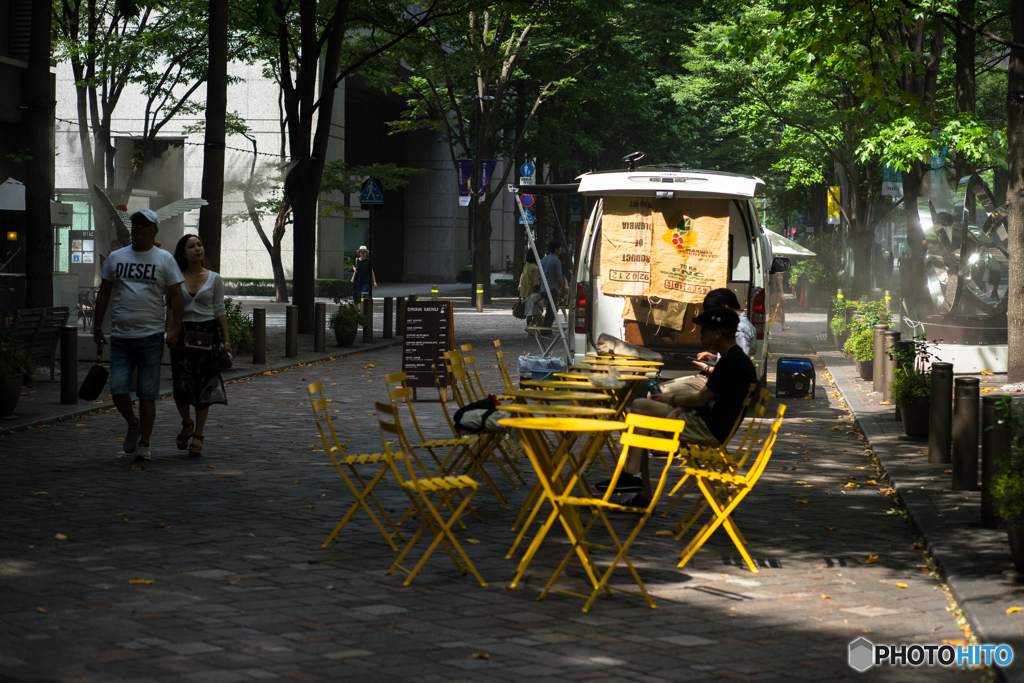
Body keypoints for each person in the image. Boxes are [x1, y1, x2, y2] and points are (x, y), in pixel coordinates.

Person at [601, 307, 757, 507]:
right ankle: (637, 483)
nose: (700, 334)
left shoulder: (731, 362)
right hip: (707, 421)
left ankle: (635, 478)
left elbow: (700, 399)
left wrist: (673, 401)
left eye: (704, 330)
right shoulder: (733, 358)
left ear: (717, 333)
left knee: (640, 409)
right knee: (639, 422)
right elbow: (708, 399)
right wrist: (678, 407)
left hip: (707, 428)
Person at [93, 208, 184, 462]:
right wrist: (97, 327)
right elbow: (104, 293)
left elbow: (177, 295)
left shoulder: (164, 259)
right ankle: (133, 423)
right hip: (121, 336)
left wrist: (175, 328)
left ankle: (145, 442)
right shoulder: (116, 257)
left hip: (151, 336)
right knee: (118, 389)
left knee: (147, 392)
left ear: (155, 230)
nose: (138, 228)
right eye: (135, 224)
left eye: (144, 224)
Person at [169, 234, 230, 458]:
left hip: (206, 334)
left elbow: (219, 310)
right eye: (191, 246)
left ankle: (199, 435)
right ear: (183, 253)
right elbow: (171, 309)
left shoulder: (214, 278)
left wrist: (226, 340)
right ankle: (187, 423)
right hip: (181, 334)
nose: (197, 249)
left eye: (200, 245)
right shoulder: (175, 278)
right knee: (181, 385)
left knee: (203, 385)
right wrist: (170, 333)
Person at [657, 288, 755, 400]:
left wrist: (707, 368)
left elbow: (734, 370)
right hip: (712, 378)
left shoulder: (738, 330)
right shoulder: (739, 324)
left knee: (657, 393)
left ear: (724, 307)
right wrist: (713, 357)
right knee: (658, 390)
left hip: (715, 382)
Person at [540, 240, 567, 328]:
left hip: (543, 287)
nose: (560, 250)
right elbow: (559, 277)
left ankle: (545, 327)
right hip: (551, 288)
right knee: (552, 309)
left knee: (551, 308)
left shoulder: (543, 259)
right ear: (556, 249)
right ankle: (546, 330)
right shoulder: (556, 261)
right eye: (560, 248)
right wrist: (564, 288)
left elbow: (539, 275)